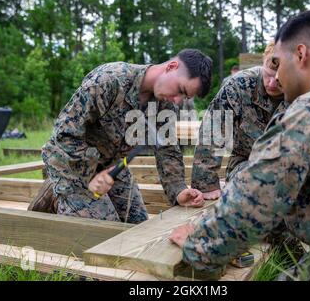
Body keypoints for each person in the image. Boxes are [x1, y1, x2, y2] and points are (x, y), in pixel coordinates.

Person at [170, 10, 310, 281]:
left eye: (278, 63)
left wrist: (198, 243)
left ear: (301, 54)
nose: (276, 77)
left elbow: (257, 199)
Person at [28, 49, 213, 224]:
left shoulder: (165, 105)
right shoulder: (109, 80)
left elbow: (168, 150)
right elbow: (65, 134)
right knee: (105, 234)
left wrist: (178, 190)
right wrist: (90, 174)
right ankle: (57, 192)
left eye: (185, 97)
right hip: (71, 162)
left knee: (136, 225)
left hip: (110, 166)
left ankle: (62, 193)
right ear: (172, 67)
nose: (178, 100)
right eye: (180, 90)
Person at [191, 41, 287, 201]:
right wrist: (206, 185)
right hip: (246, 161)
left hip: (291, 167)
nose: (271, 83)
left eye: (278, 81)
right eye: (268, 74)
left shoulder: (303, 92)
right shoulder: (239, 85)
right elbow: (214, 131)